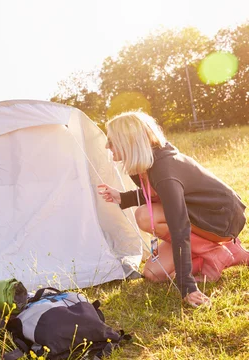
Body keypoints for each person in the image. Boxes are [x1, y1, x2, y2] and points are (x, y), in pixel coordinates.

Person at [98, 111, 249, 307]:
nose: (106, 146)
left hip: (220, 221)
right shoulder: (145, 165)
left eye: (111, 140)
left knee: (145, 215)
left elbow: (180, 228)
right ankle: (222, 255)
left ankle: (220, 250)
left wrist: (187, 286)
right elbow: (157, 194)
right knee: (153, 273)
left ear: (128, 141)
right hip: (197, 217)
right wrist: (123, 197)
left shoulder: (165, 169)